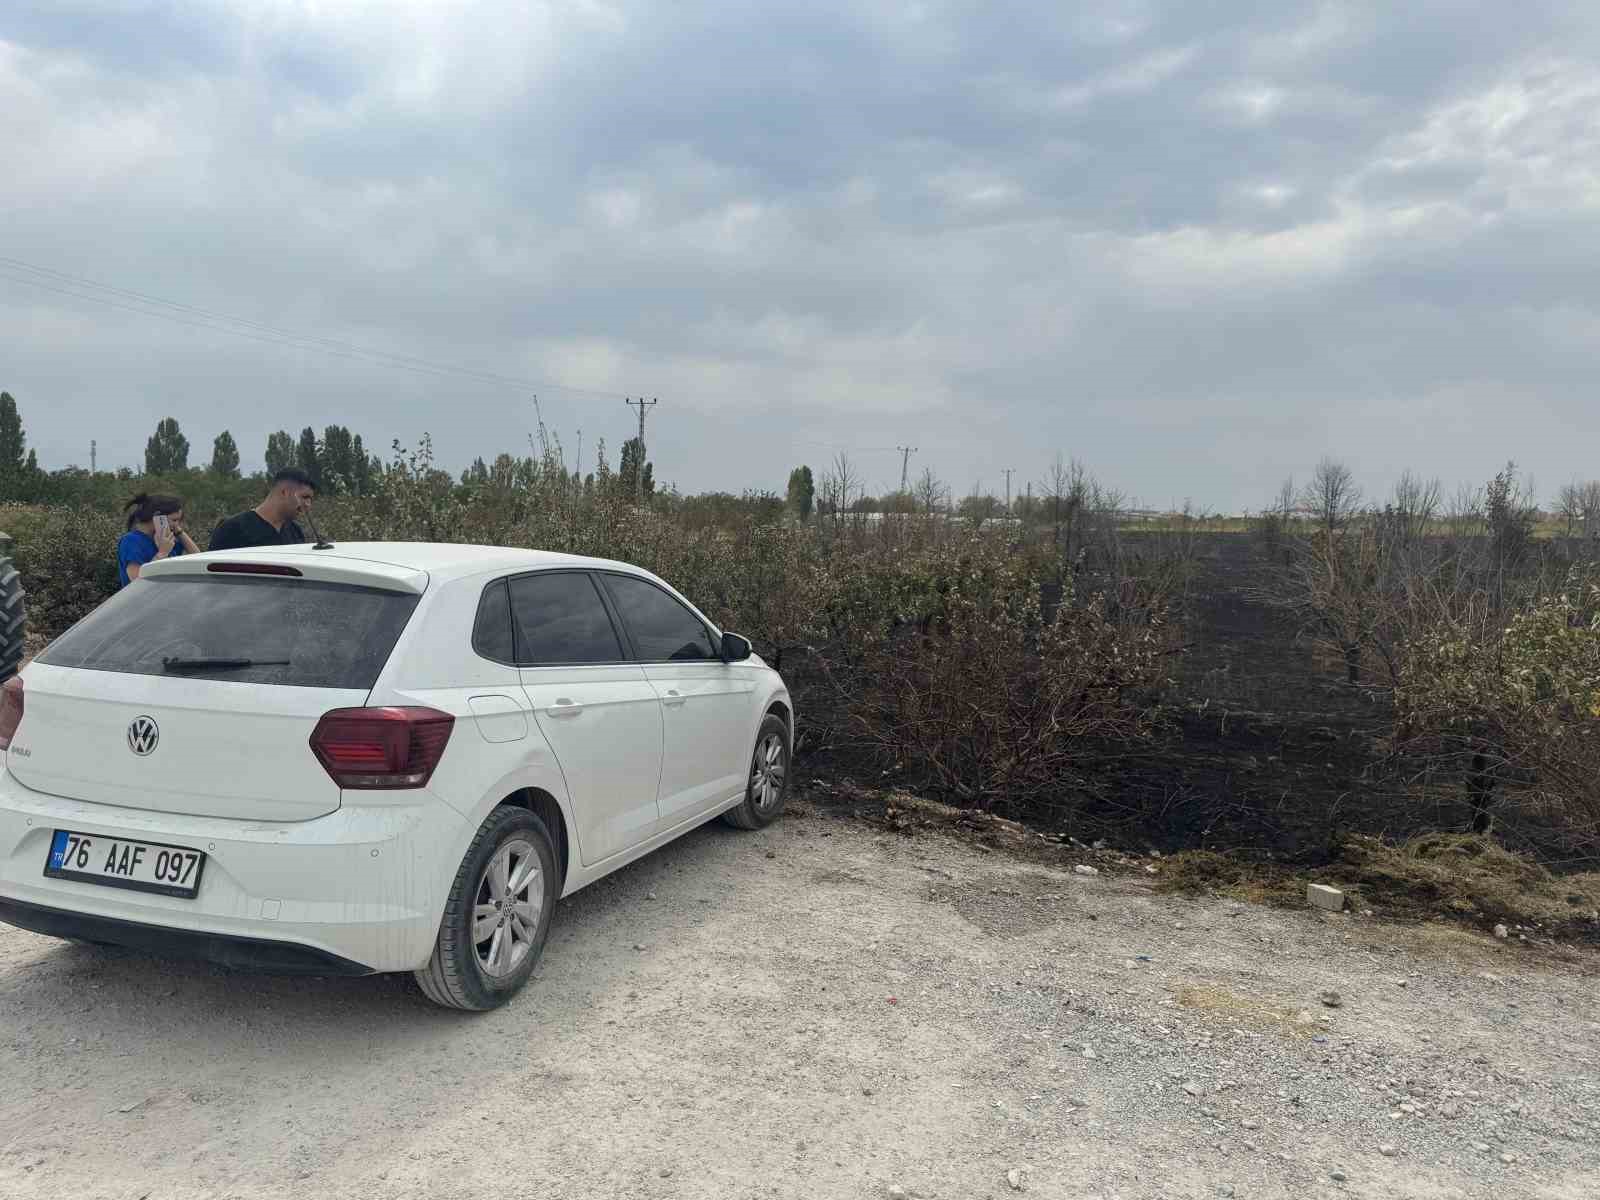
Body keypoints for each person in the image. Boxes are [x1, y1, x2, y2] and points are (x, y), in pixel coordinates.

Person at [209, 468, 316, 551]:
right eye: (305, 497)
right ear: (285, 492)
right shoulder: (233, 529)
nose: (308, 504)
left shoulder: (295, 532)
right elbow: (212, 574)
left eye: (310, 499)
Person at [117, 493, 200, 587]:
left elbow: (197, 555)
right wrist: (162, 554)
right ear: (158, 517)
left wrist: (178, 532)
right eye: (174, 520)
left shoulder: (165, 538)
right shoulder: (131, 541)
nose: (177, 525)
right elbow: (137, 582)